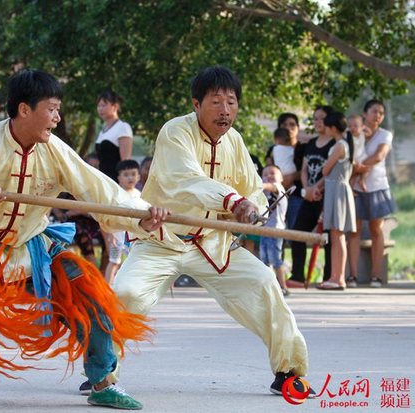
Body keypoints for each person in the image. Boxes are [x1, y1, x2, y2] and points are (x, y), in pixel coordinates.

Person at [0, 69, 168, 410]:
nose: (57, 118)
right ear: (24, 109)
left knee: (90, 292)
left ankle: (102, 381)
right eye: (52, 108)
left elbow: (102, 193)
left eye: (58, 109)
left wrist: (143, 212)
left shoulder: (55, 150)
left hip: (32, 247)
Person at [94, 67, 312, 400]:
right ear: (196, 104)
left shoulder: (235, 141)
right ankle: (102, 375)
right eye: (216, 101)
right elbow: (186, 179)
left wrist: (252, 209)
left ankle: (289, 372)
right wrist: (234, 202)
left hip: (214, 244)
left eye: (231, 102)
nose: (225, 110)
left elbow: (251, 187)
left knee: (265, 284)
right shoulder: (174, 132)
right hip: (162, 240)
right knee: (125, 292)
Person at [347, 99, 396, 288]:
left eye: (381, 113)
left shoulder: (385, 135)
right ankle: (352, 276)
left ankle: (376, 276)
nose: (378, 116)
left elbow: (379, 156)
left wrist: (358, 169)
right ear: (365, 114)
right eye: (374, 111)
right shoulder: (354, 131)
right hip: (354, 188)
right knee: (354, 231)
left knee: (377, 230)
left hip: (377, 186)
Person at [288, 105, 335, 286]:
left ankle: (329, 277)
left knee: (329, 238)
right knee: (298, 233)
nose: (317, 122)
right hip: (309, 197)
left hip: (326, 197)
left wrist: (317, 188)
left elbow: (331, 171)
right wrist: (307, 188)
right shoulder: (311, 144)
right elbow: (305, 169)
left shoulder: (335, 144)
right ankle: (298, 276)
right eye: (315, 118)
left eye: (321, 118)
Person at [317, 112, 356, 291]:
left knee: (337, 234)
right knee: (335, 234)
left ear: (332, 128)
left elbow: (325, 170)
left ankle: (338, 277)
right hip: (335, 189)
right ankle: (335, 276)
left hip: (338, 190)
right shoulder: (342, 143)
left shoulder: (340, 145)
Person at [104, 160, 141, 285]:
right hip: (117, 235)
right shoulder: (115, 195)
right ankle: (108, 289)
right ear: (119, 178)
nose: (130, 177)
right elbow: (109, 216)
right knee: (114, 261)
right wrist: (110, 235)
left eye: (133, 174)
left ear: (138, 176)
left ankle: (131, 286)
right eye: (126, 175)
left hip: (134, 236)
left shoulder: (140, 195)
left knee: (134, 261)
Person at [260, 165, 290, 296]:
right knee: (264, 260)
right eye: (265, 174)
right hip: (263, 230)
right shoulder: (263, 194)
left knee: (276, 259)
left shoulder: (279, 188)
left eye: (273, 173)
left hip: (276, 230)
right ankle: (270, 286)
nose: (269, 176)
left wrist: (259, 185)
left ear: (281, 178)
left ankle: (283, 286)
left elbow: (270, 187)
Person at [95, 90, 134, 181]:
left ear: (115, 106)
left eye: (104, 105)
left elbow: (125, 160)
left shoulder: (123, 127)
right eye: (99, 105)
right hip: (103, 179)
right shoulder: (102, 131)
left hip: (116, 180)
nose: (100, 109)